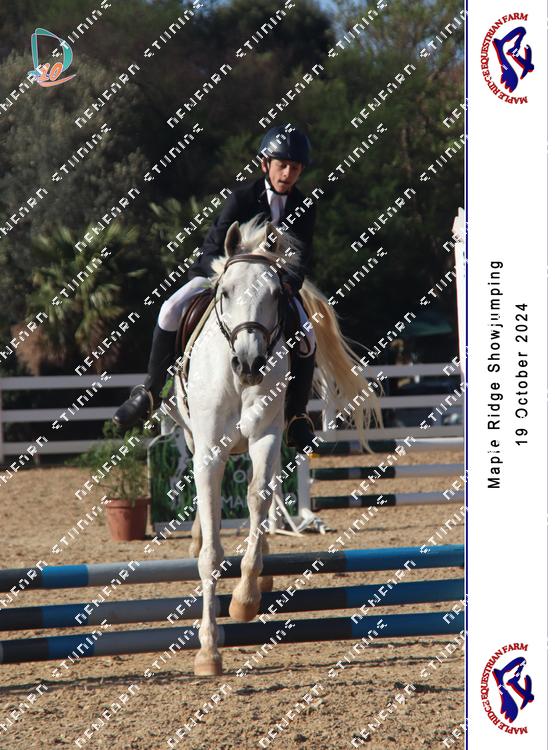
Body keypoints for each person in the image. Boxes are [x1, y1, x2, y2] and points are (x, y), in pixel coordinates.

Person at [113, 125, 317, 451]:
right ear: (265, 164)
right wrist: (226, 274)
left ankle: (297, 415)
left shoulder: (305, 206)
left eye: (295, 167)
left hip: (272, 288)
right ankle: (149, 392)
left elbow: (301, 260)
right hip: (219, 276)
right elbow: (212, 248)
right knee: (169, 310)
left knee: (307, 336)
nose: (288, 173)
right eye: (282, 165)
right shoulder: (241, 199)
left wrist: (288, 284)